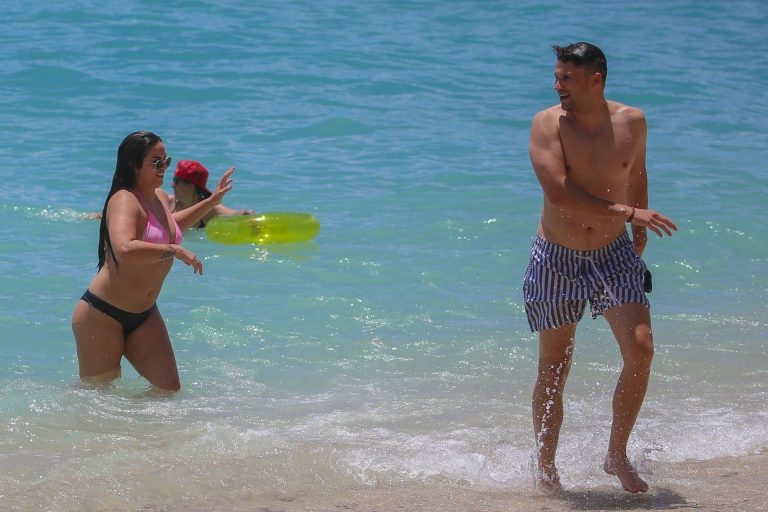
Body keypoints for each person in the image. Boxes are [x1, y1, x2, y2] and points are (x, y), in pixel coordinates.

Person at [523, 43, 677, 494]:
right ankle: (547, 472)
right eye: (556, 76)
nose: (557, 86)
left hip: (613, 253)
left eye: (567, 78)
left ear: (596, 79)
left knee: (642, 349)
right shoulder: (547, 124)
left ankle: (616, 454)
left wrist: (640, 226)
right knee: (555, 367)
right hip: (557, 256)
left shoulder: (632, 121)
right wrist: (632, 214)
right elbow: (559, 193)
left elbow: (638, 170)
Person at [71, 131, 235, 391]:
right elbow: (124, 248)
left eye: (166, 161)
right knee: (98, 399)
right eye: (156, 162)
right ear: (134, 164)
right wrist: (173, 250)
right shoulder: (124, 199)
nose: (164, 168)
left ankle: (141, 431)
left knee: (168, 389)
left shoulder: (157, 197)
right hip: (102, 314)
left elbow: (172, 227)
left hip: (144, 313)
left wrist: (211, 202)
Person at [157, 160, 254, 228]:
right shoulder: (168, 204)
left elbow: (235, 215)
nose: (172, 185)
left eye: (176, 181)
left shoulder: (208, 210)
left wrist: (247, 214)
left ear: (190, 186)